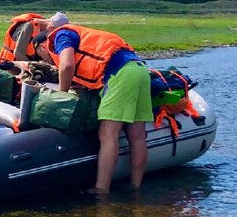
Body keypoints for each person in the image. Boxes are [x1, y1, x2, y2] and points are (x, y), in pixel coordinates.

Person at [34, 13, 152, 193]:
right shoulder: (81, 33)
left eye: (41, 56)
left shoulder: (59, 36)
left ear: (42, 46)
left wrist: (62, 93)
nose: (44, 60)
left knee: (107, 134)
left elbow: (67, 65)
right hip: (140, 69)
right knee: (137, 135)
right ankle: (136, 187)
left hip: (119, 74)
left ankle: (101, 189)